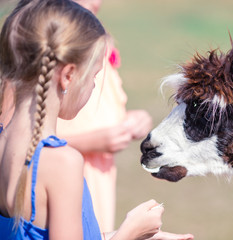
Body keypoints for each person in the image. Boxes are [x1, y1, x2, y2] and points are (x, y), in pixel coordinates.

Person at [0, 1, 194, 239]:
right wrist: (129, 232)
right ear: (68, 75)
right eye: (94, 76)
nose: (93, 85)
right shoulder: (62, 163)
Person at [56, 0, 153, 232]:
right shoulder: (55, 56)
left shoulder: (94, 45)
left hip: (98, 183)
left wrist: (132, 119)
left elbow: (103, 109)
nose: (95, 2)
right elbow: (28, 138)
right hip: (69, 182)